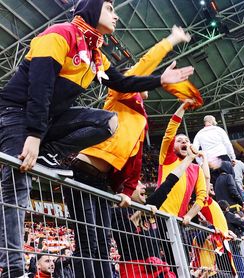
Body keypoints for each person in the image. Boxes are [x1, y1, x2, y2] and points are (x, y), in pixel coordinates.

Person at [0, 0, 194, 276]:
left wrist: (159, 80)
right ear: (90, 9)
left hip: (50, 122)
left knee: (107, 122)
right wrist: (33, 135)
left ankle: (49, 153)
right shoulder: (60, 34)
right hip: (16, 112)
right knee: (17, 185)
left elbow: (122, 82)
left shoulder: (95, 54)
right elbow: (40, 87)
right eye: (110, 8)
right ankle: (13, 270)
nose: (116, 15)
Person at [62, 25, 192, 278]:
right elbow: (144, 64)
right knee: (89, 242)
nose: (143, 78)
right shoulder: (121, 94)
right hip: (82, 170)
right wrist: (171, 41)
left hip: (101, 180)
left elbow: (134, 158)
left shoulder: (140, 116)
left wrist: (127, 191)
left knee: (101, 243)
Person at [111, 144, 199, 277]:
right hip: (135, 270)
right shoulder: (117, 212)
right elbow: (126, 234)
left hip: (157, 267)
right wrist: (142, 212)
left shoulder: (149, 205)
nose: (144, 186)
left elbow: (169, 182)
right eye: (138, 183)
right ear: (126, 188)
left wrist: (189, 159)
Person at [157, 100, 207, 224]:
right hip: (161, 217)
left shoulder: (196, 169)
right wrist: (183, 107)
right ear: (173, 146)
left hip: (179, 221)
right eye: (179, 140)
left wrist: (189, 215)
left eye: (186, 140)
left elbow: (202, 197)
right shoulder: (167, 158)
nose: (184, 142)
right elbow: (170, 132)